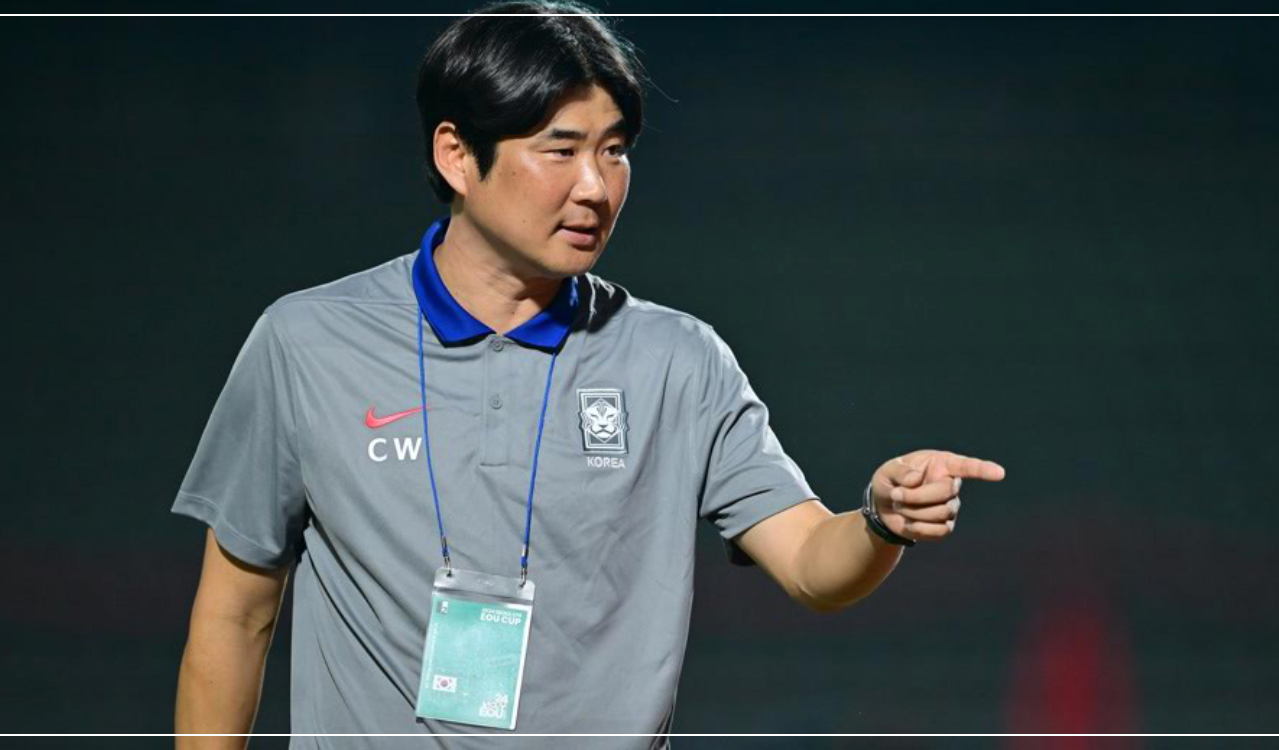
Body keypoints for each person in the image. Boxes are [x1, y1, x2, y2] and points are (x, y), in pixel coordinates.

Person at [172, 3, 1005, 748]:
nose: (596, 187)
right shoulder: (307, 342)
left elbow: (814, 566)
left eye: (614, 152)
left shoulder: (677, 362)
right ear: (457, 155)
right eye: (561, 150)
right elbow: (235, 615)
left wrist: (881, 520)